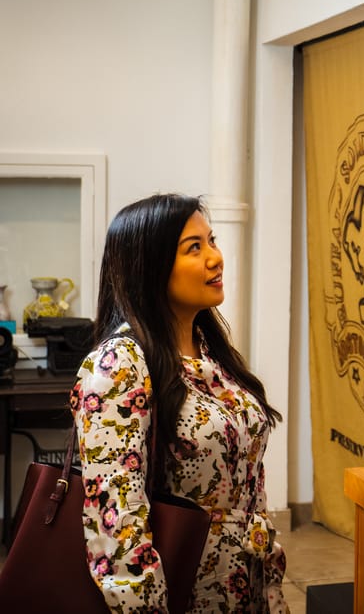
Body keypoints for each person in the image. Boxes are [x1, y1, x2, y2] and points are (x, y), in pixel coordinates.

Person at [70, 193, 287, 612]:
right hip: (184, 595)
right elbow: (118, 526)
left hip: (245, 588)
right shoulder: (119, 365)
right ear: (149, 266)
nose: (215, 258)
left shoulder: (212, 355)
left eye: (212, 241)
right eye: (194, 248)